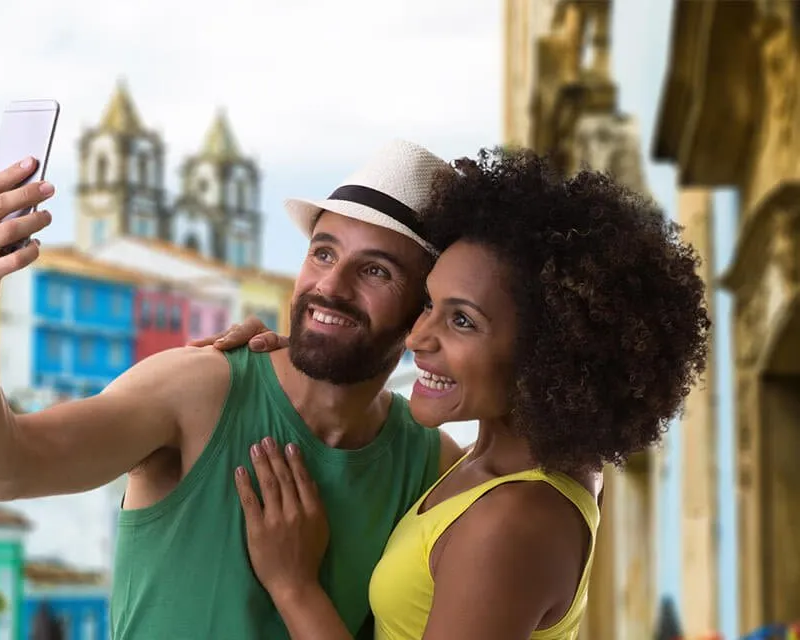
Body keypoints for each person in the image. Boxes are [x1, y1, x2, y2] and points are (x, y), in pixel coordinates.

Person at [0, 139, 465, 638]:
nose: (330, 286)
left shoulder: (430, 464)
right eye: (322, 254)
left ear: (428, 309)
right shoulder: (197, 388)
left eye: (375, 270)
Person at [210, 148, 711, 639]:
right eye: (429, 303)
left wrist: (294, 585)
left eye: (462, 321)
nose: (418, 338)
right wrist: (314, 349)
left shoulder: (512, 523)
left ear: (550, 350)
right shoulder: (498, 468)